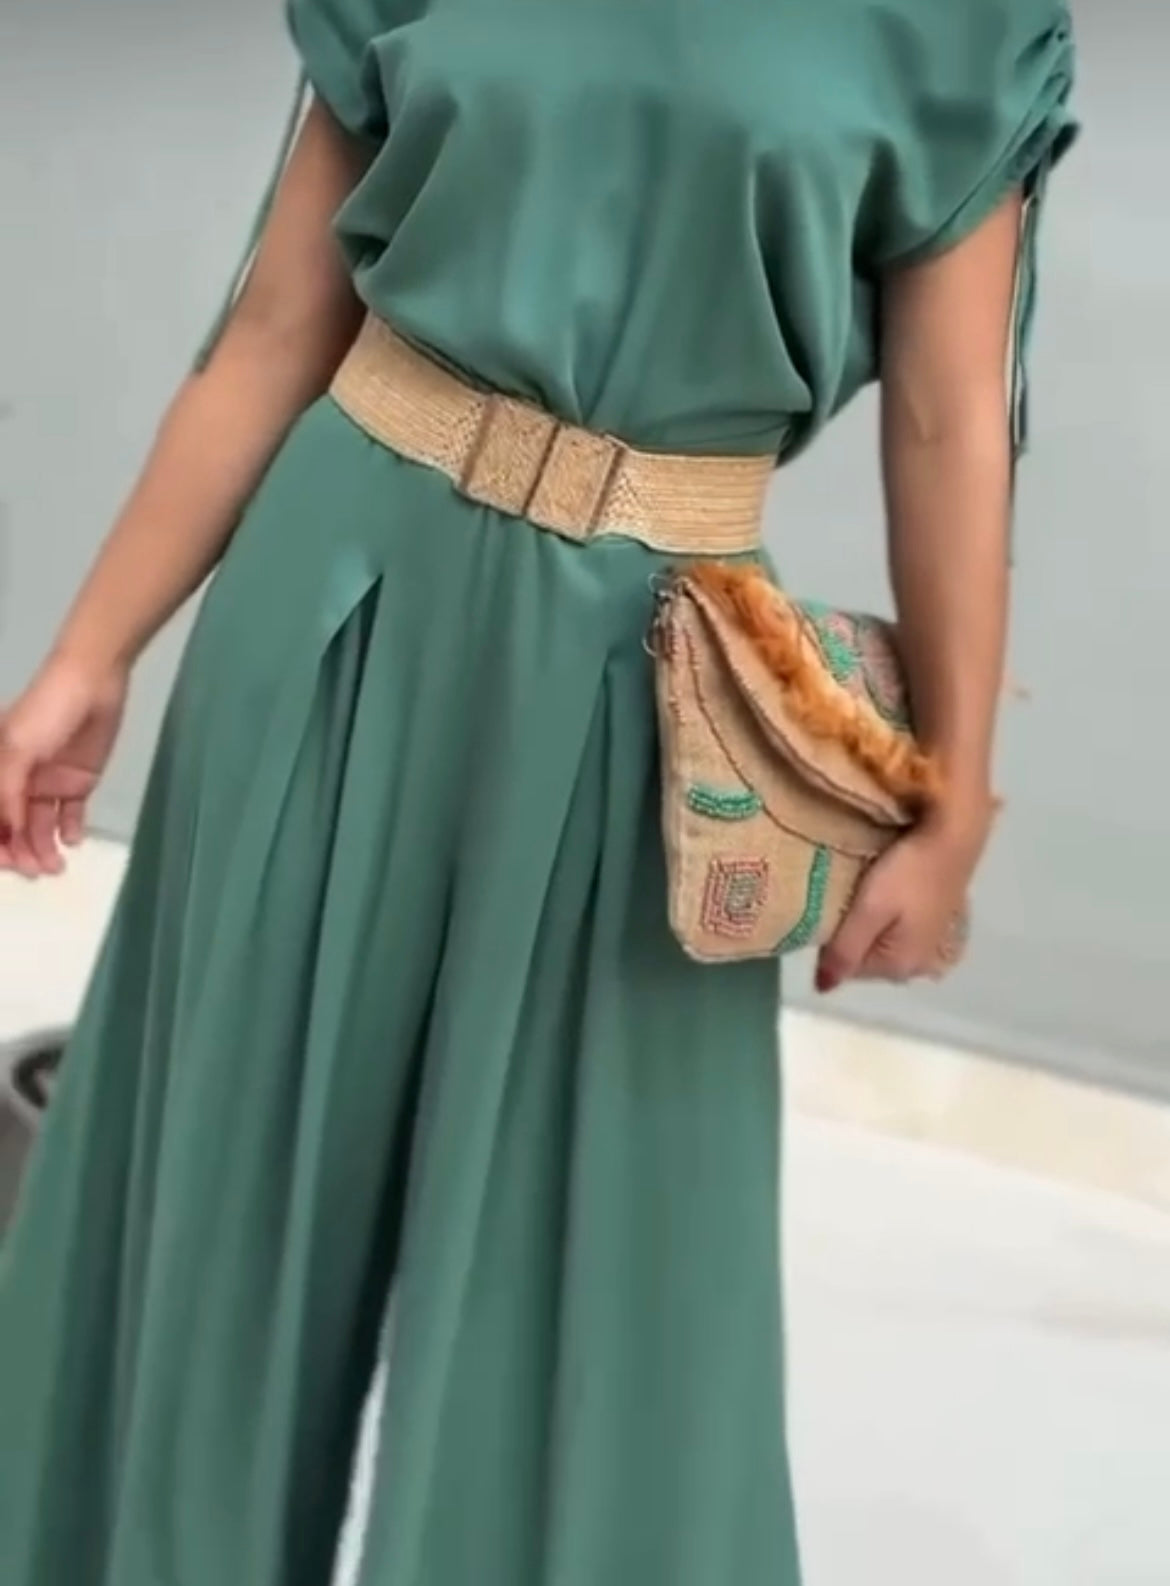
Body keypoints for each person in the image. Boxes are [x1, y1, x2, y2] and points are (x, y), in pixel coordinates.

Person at [0, 2, 1076, 1582]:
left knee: (606, 1311)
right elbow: (281, 322)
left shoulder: (962, 28)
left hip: (650, 695)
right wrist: (90, 652)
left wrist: (953, 793)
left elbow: (949, 416)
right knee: (218, 1221)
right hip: (333, 605)